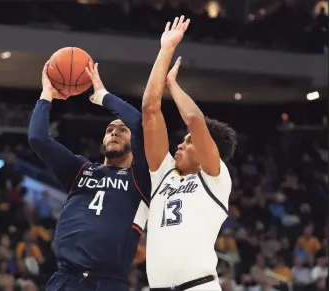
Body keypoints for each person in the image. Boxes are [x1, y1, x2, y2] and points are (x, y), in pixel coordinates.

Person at [28, 61, 151, 291]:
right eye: (109, 130)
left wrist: (104, 96)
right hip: (65, 278)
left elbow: (142, 124)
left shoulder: (142, 178)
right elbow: (38, 139)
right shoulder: (80, 169)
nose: (114, 131)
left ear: (133, 141)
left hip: (108, 282)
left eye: (122, 130)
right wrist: (47, 95)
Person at [141, 16, 237, 290]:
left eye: (189, 142)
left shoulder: (216, 180)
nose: (180, 145)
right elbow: (150, 109)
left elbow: (195, 120)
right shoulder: (163, 175)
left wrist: (173, 85)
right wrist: (165, 49)